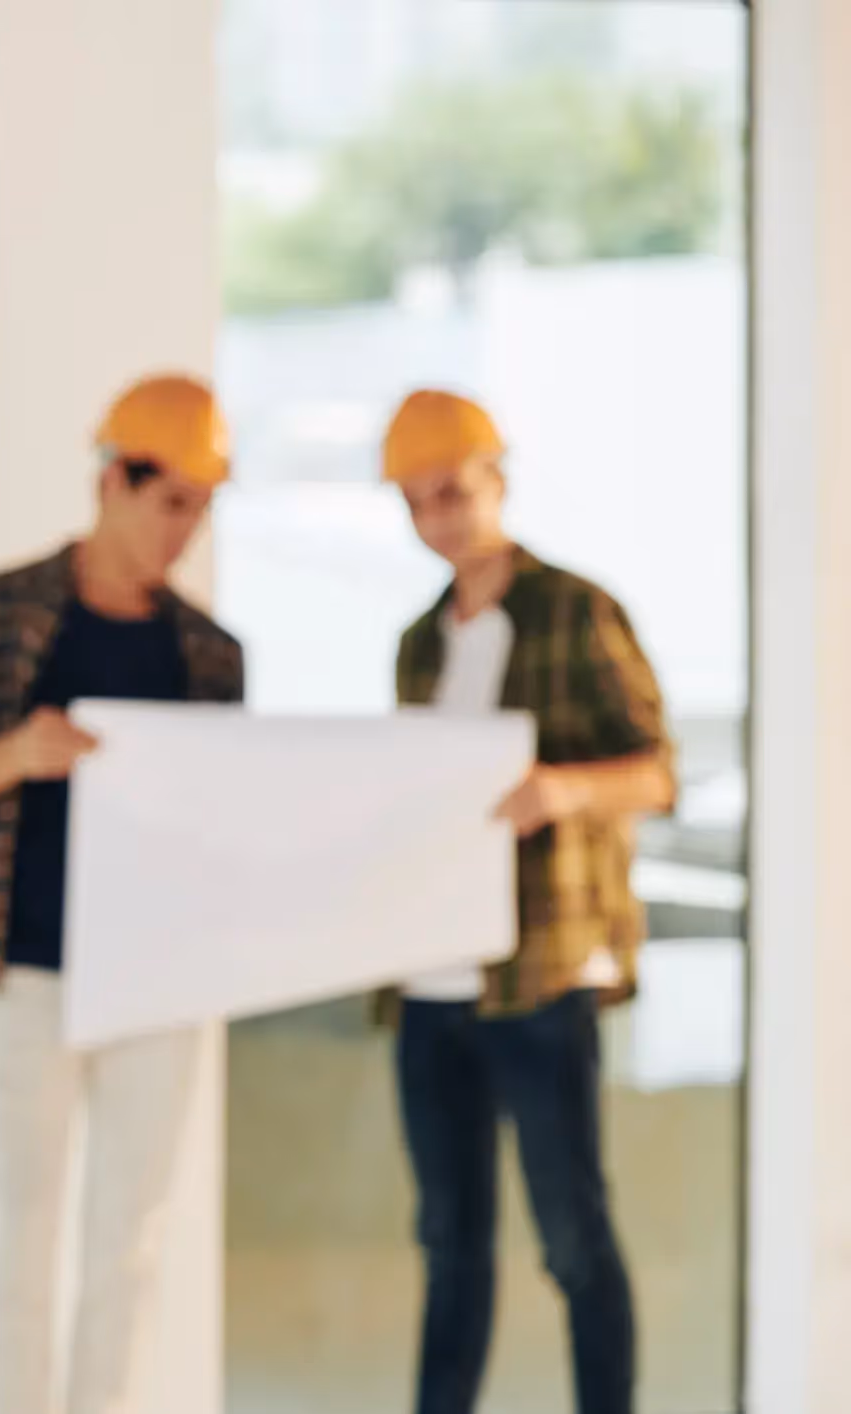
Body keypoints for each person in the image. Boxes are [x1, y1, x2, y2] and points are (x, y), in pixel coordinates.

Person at [0, 375, 244, 1414]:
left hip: (161, 980)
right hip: (30, 968)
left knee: (129, 1242)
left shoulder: (211, 653)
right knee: (23, 1234)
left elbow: (222, 829)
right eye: (170, 501)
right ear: (112, 480)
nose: (184, 529)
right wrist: (20, 750)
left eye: (200, 506)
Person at [383, 389, 675, 1414]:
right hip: (433, 979)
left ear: (496, 480)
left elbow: (656, 773)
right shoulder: (418, 643)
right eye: (415, 500)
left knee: (571, 1235)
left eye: (452, 491)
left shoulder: (575, 610)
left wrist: (561, 790)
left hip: (542, 971)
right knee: (449, 1242)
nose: (437, 516)